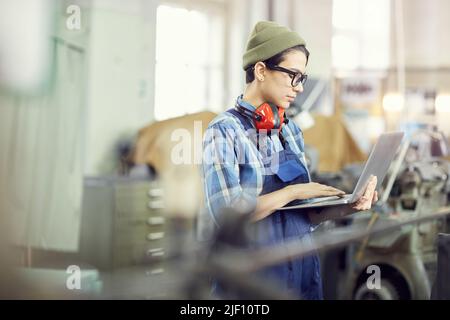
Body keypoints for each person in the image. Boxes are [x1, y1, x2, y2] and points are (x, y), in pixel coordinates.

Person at [201, 21, 378, 299]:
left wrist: (348, 206)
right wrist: (293, 191)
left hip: (302, 273)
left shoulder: (289, 130)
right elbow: (227, 214)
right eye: (292, 75)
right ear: (260, 70)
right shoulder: (224, 130)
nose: (298, 87)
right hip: (252, 280)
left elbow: (302, 216)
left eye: (302, 78)